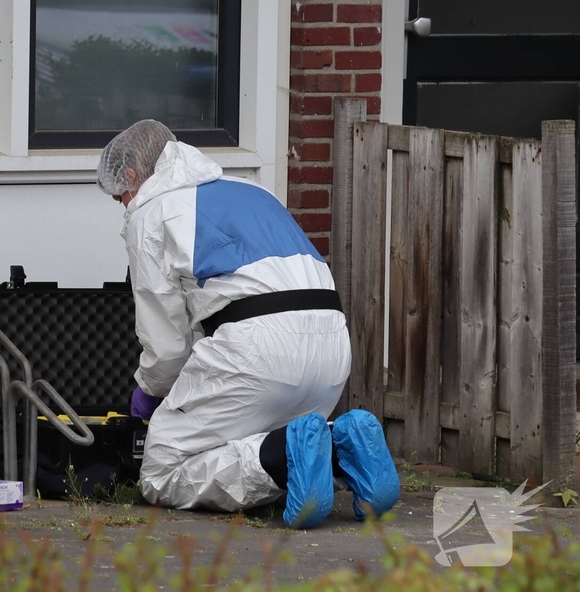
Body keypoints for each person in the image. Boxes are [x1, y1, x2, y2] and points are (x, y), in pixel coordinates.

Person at [97, 119, 399, 528]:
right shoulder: (251, 189)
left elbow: (167, 344)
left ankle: (283, 456)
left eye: (120, 195)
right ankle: (340, 449)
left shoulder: (150, 212)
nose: (122, 204)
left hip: (258, 351)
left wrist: (152, 392)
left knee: (161, 471)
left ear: (132, 175)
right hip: (332, 345)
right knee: (254, 434)